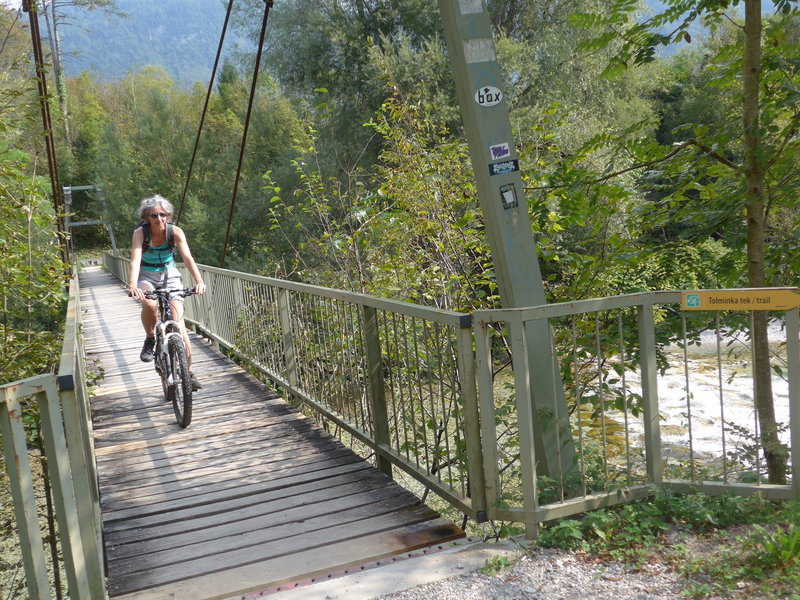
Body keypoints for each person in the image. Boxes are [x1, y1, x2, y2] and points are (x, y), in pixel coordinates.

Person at [128, 195, 206, 391]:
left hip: (170, 275)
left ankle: (189, 373)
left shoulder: (175, 231)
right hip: (147, 275)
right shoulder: (140, 233)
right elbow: (135, 259)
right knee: (150, 304)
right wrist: (132, 284)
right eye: (154, 215)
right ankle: (150, 338)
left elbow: (187, 257)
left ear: (168, 216)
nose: (159, 219)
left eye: (163, 215)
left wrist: (199, 281)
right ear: (146, 217)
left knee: (179, 324)